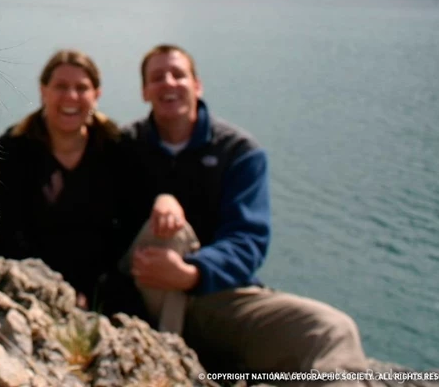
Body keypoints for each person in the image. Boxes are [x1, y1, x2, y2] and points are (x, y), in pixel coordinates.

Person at [125, 43, 370, 374]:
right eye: (157, 77)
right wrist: (163, 200)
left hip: (213, 299)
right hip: (139, 294)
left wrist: (192, 273)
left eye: (178, 74)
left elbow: (247, 239)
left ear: (197, 85)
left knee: (331, 330)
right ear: (144, 91)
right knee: (167, 232)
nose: (169, 83)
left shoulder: (239, 153)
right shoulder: (124, 145)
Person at [0, 49, 143, 311]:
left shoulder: (117, 150)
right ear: (44, 91)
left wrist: (92, 288)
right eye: (61, 86)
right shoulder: (10, 153)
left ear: (96, 95)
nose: (71, 96)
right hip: (26, 287)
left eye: (82, 88)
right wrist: (54, 289)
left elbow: (129, 227)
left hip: (103, 290)